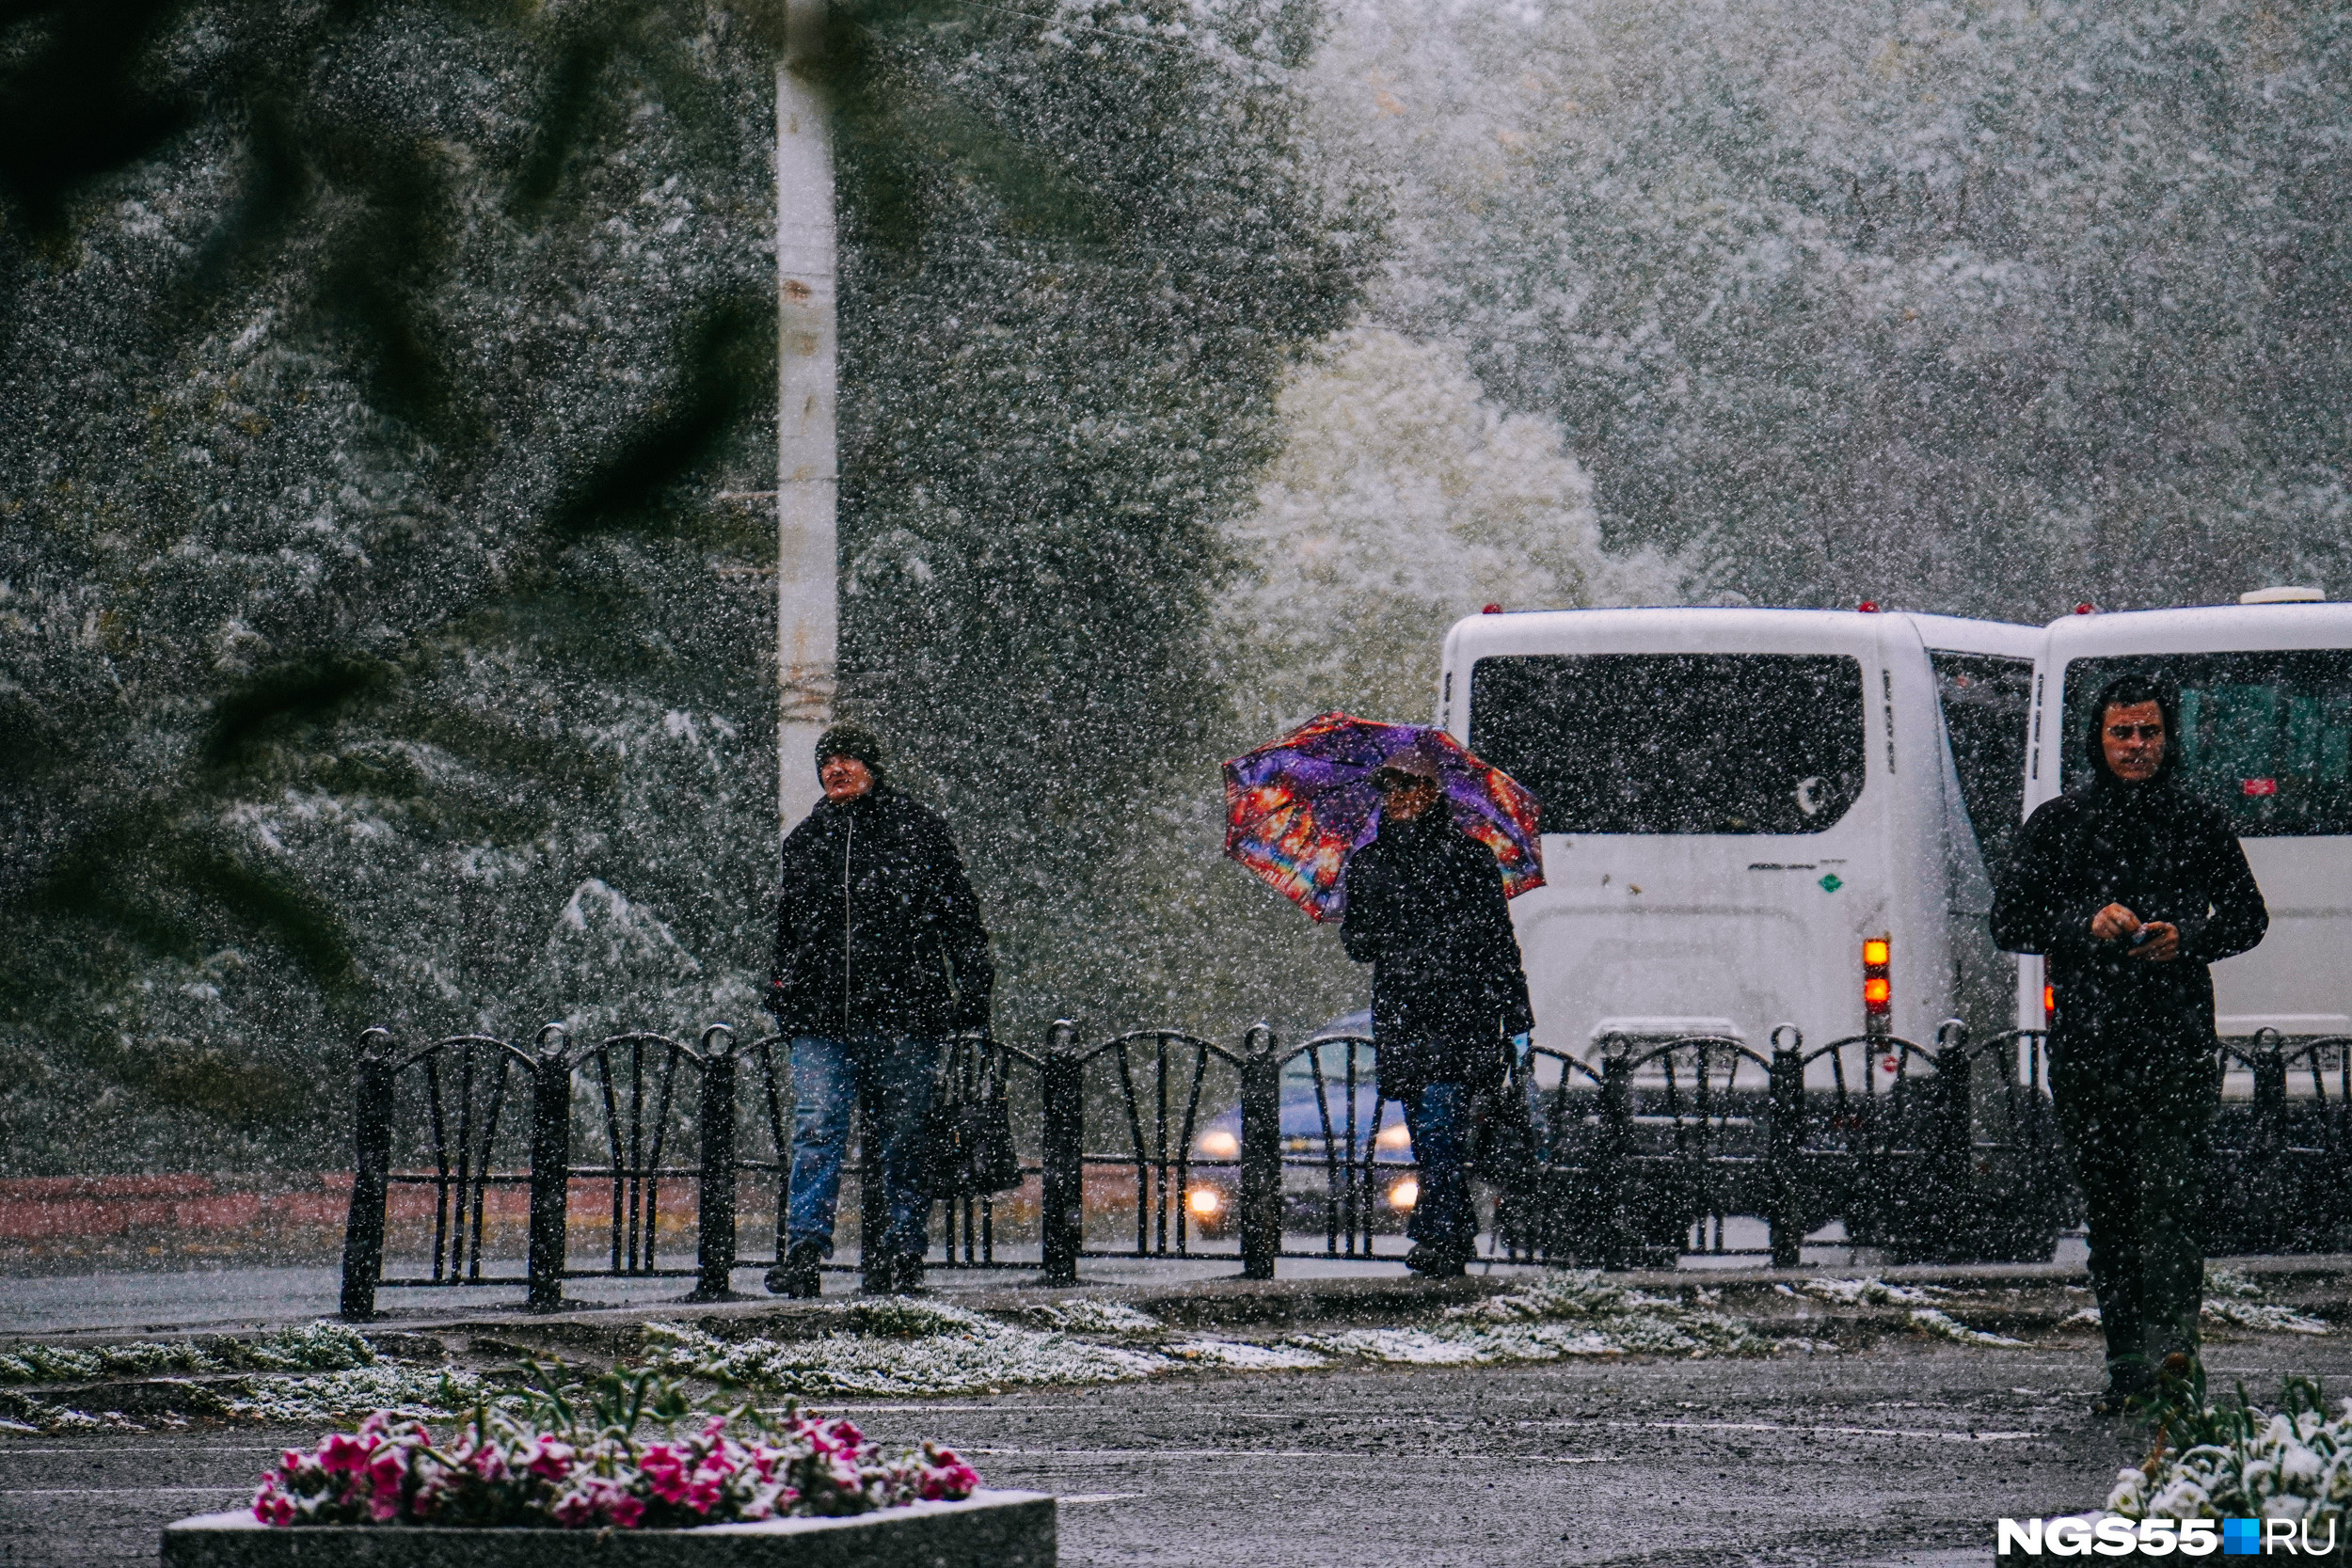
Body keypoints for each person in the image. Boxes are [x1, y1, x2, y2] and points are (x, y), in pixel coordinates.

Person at [1992, 673, 2267, 1411]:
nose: (2137, 746)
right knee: (2111, 1213)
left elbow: (2248, 917)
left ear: (2168, 738)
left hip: (2175, 1043)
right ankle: (2127, 1367)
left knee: (2171, 1206)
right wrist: (2085, 923)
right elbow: (2008, 921)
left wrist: (2191, 938)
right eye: (2123, 733)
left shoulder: (2197, 821)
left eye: (2148, 732)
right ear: (2100, 739)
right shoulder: (2059, 824)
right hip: (2090, 1048)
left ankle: (2176, 1362)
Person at [764, 723, 993, 1298]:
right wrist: (783, 987)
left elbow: (958, 916)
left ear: (872, 766)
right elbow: (788, 929)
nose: (836, 769)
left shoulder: (916, 831)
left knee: (903, 1137)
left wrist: (972, 988)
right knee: (818, 1130)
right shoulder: (808, 840)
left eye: (847, 759)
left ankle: (900, 1252)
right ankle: (805, 1251)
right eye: (827, 761)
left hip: (902, 1013)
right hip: (821, 1014)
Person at [1341, 746, 1534, 1276]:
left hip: (1464, 1011)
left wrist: (1518, 1018)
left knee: (1440, 1120)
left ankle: (1439, 1235)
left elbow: (1498, 941)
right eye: (1390, 788)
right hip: (1405, 1012)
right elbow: (1357, 942)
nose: (1398, 798)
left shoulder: (1472, 860)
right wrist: (1399, 932)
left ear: (1432, 792)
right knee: (1432, 1130)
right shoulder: (1370, 863)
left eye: (1409, 787)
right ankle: (1450, 1232)